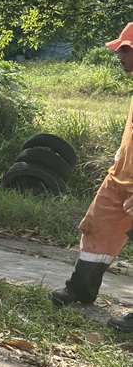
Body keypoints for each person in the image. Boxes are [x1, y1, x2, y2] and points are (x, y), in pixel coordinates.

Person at [51, 23, 133, 332]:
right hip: (119, 179)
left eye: (125, 49)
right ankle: (80, 290)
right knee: (96, 230)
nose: (119, 56)